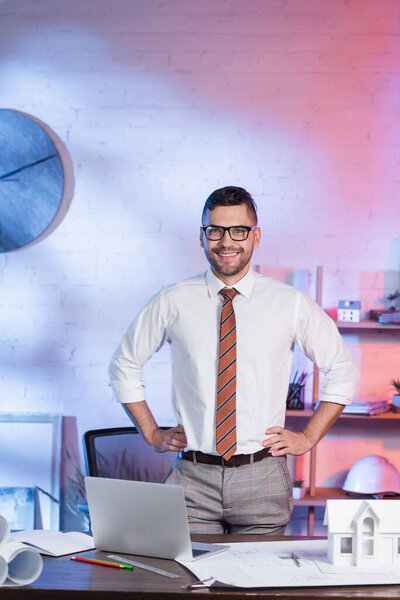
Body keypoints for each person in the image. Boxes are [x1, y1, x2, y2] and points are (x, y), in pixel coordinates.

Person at [109, 186, 360, 534]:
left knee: (256, 587)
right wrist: (151, 432)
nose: (227, 242)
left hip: (262, 478)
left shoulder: (290, 303)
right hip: (193, 480)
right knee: (190, 584)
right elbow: (123, 365)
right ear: (202, 237)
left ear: (255, 237)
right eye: (215, 230)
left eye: (238, 231)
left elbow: (343, 368)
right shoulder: (172, 301)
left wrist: (308, 438)